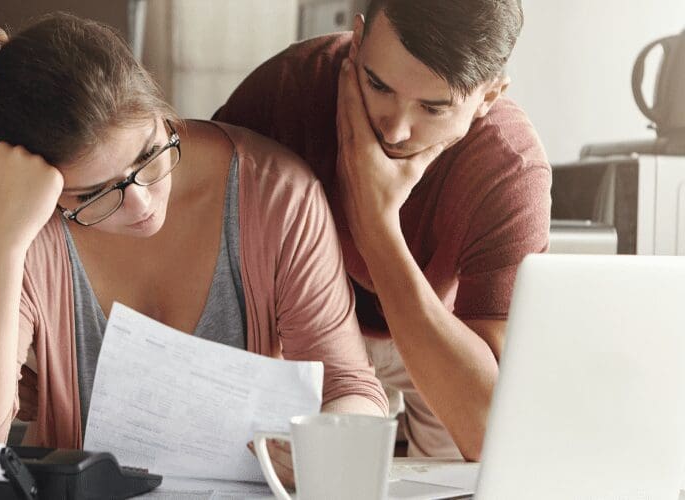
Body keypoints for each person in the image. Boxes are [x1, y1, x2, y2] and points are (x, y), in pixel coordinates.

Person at [0, 12, 388, 457]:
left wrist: (323, 448)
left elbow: (350, 387)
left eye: (148, 156)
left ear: (160, 111)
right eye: (93, 194)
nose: (142, 204)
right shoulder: (4, 222)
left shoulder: (276, 193)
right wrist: (5, 239)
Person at [214, 0, 551, 460]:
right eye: (377, 85)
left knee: (472, 474)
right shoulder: (288, 88)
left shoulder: (509, 168)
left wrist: (375, 225)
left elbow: (488, 429)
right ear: (357, 41)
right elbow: (205, 249)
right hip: (304, 330)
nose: (395, 130)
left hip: (440, 329)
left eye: (433, 108)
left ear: (488, 97)